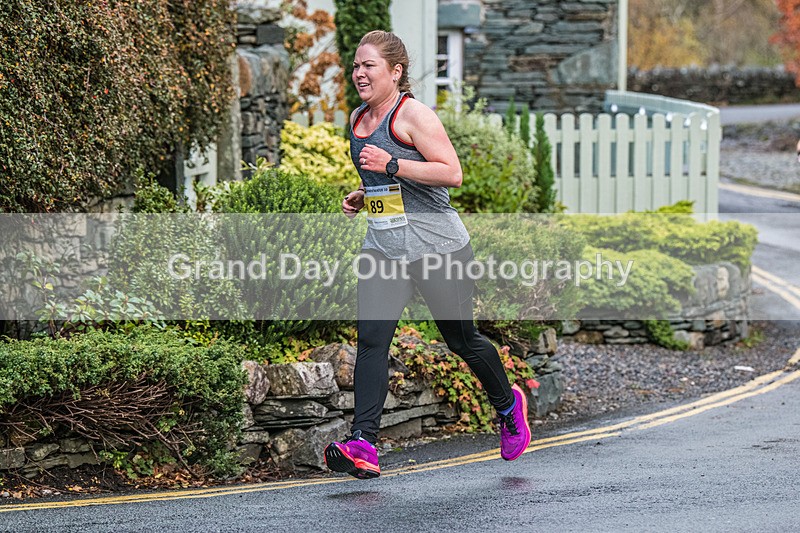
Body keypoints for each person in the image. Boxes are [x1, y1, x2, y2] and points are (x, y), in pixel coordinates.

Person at [323, 30, 531, 479]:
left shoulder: (412, 114)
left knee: (462, 340)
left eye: (369, 66)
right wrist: (365, 194)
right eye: (356, 66)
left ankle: (508, 407)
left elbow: (451, 173)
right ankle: (364, 443)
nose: (359, 73)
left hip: (438, 248)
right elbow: (388, 184)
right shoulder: (358, 118)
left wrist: (392, 164)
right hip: (384, 248)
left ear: (395, 72)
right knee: (373, 342)